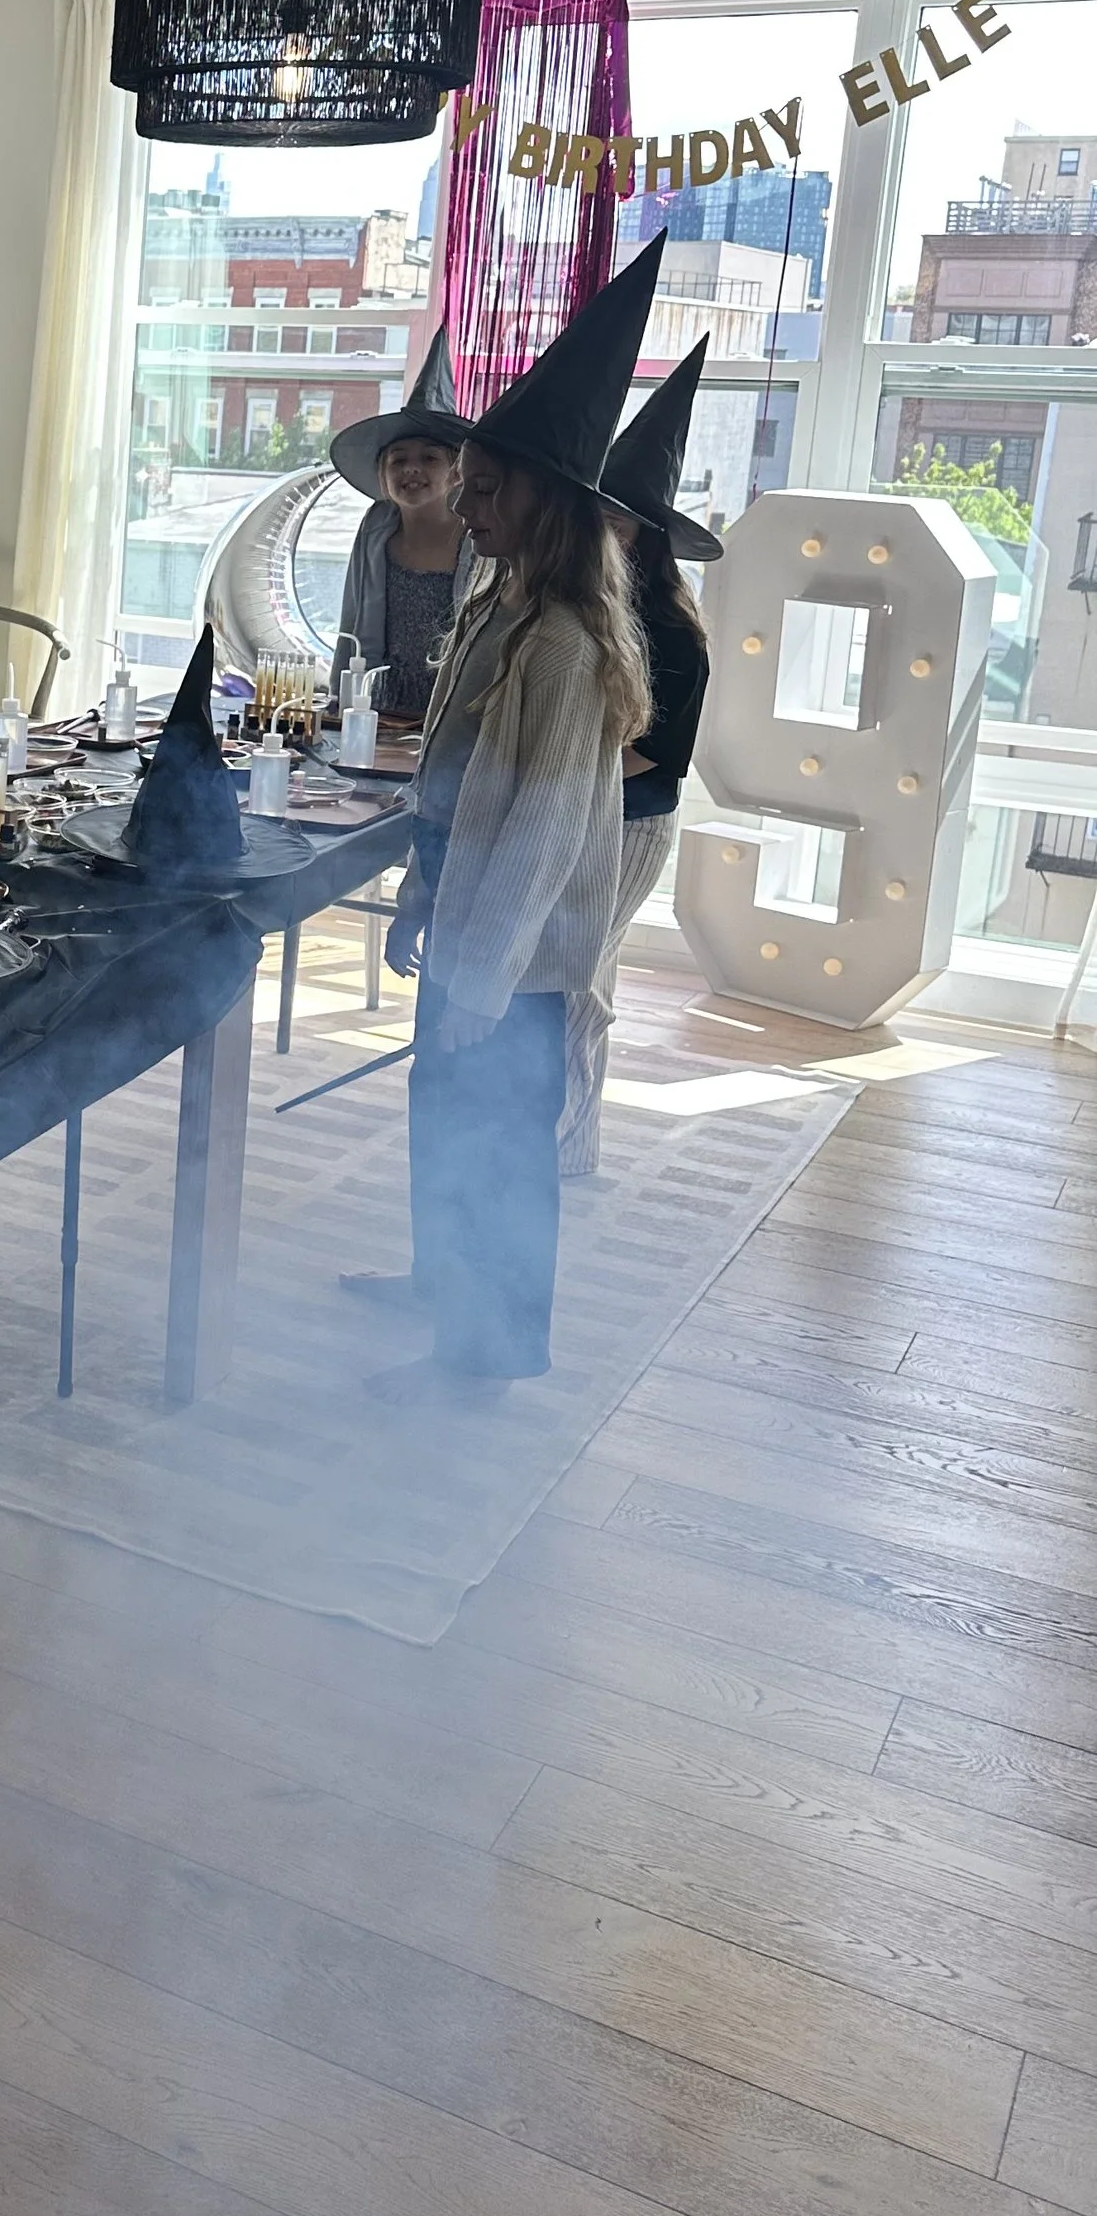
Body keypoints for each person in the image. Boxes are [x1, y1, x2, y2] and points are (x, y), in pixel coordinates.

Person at [343, 241, 662, 1395]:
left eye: (484, 489)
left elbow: (531, 838)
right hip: (468, 929)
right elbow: (452, 782)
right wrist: (420, 898)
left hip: (517, 960)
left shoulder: (567, 646)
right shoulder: (500, 609)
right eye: (464, 486)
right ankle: (448, 1303)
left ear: (543, 499)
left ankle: (484, 1355)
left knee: (496, 1150)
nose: (463, 505)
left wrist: (478, 979)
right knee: (447, 1126)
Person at [561, 339, 716, 1177]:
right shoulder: (579, 609)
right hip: (578, 814)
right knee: (572, 980)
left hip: (627, 826)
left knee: (579, 981)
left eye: (619, 518)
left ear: (651, 536)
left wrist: (549, 779)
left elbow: (650, 756)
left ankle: (566, 1148)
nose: (603, 530)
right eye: (596, 513)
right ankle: (560, 1143)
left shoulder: (672, 634)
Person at [329, 324, 479, 725]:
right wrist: (338, 702)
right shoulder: (377, 528)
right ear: (383, 473)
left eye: (430, 458)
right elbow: (353, 621)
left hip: (454, 706)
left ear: (457, 472)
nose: (412, 468)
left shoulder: (478, 536)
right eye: (398, 459)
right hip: (382, 702)